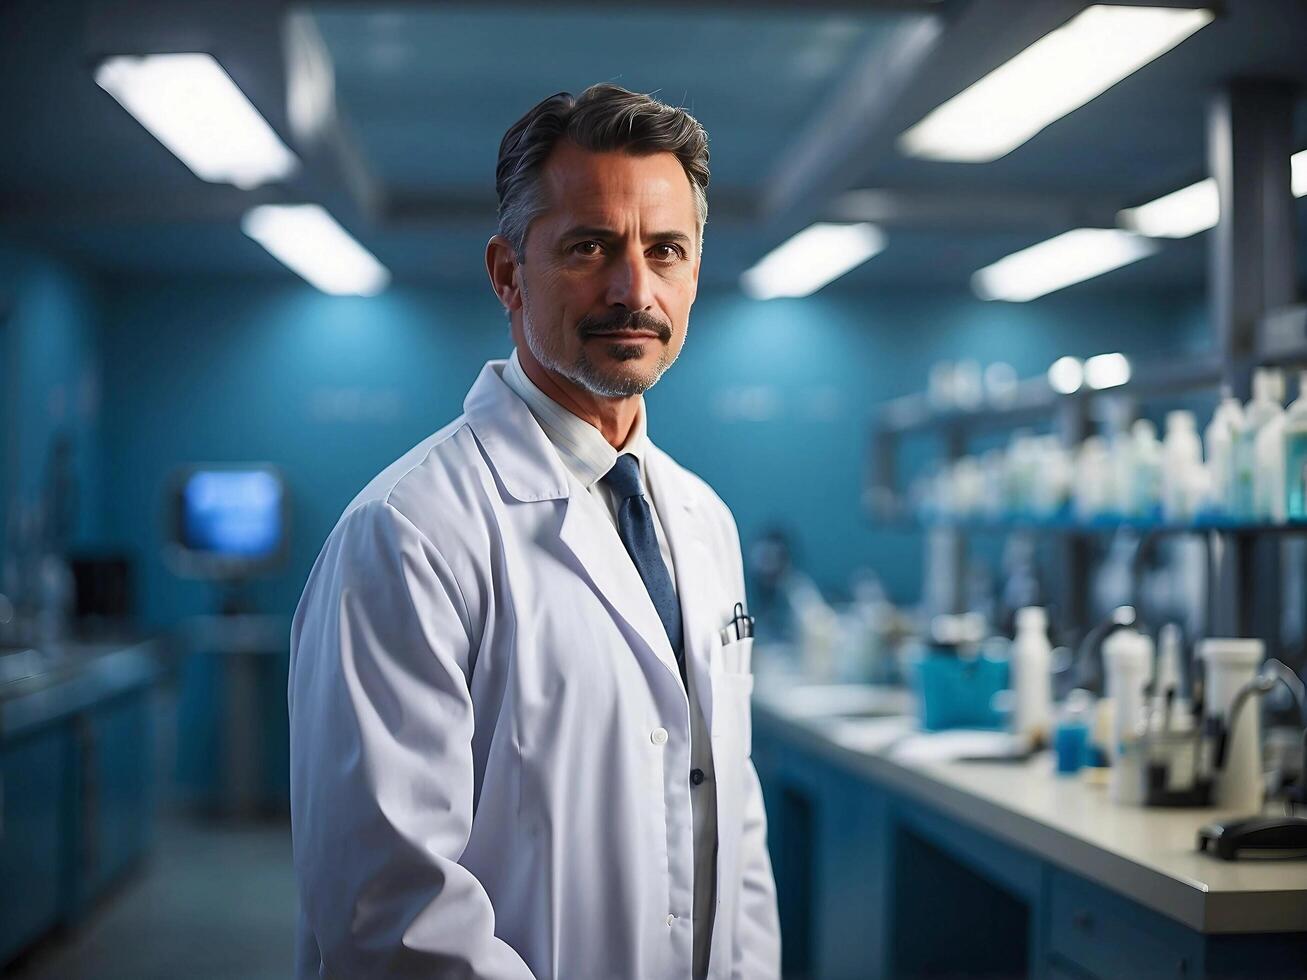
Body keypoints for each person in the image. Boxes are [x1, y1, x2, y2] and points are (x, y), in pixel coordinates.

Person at [288, 83, 780, 979]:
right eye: (589, 247)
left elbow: (729, 820)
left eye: (665, 251)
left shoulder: (704, 521)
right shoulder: (408, 533)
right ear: (509, 273)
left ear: (694, 274)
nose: (634, 288)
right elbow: (391, 910)